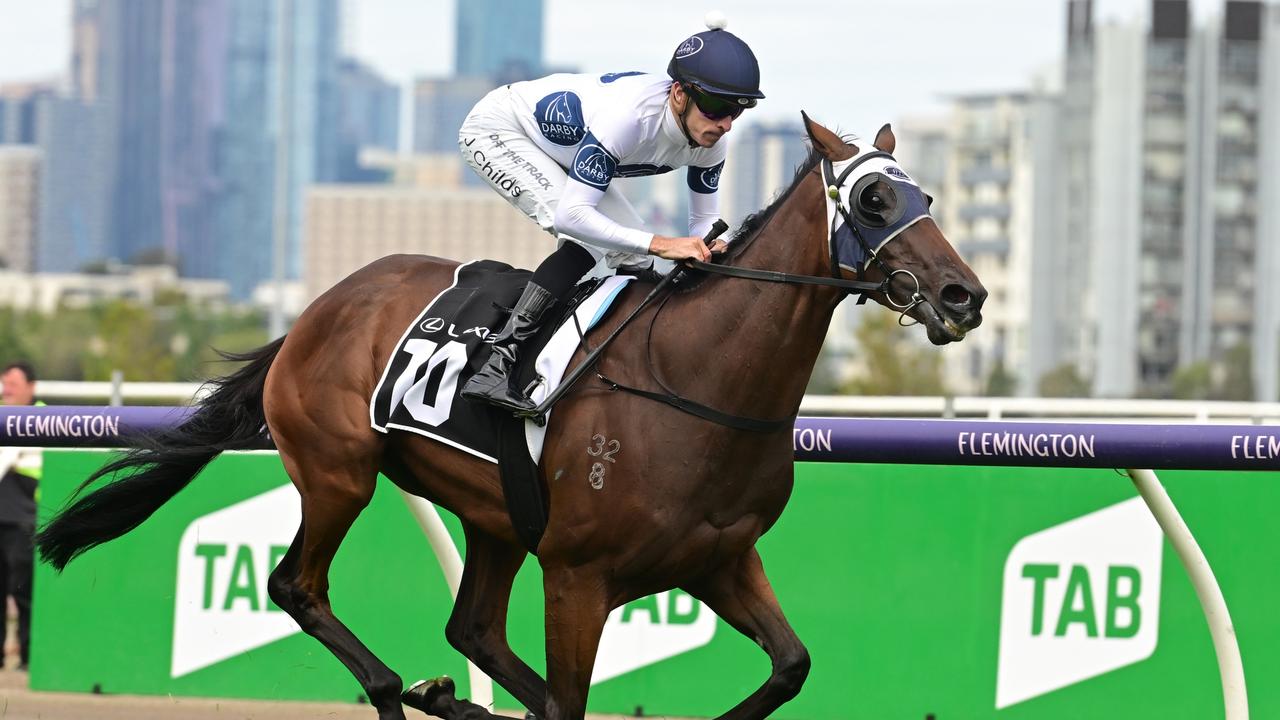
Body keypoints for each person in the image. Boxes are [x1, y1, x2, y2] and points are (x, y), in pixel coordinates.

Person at [458, 15, 764, 414]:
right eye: (716, 107)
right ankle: (497, 363)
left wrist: (711, 245)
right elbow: (572, 217)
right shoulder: (631, 119)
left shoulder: (711, 142)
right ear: (678, 93)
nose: (724, 124)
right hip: (500, 129)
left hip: (565, 151)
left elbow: (702, 222)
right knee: (592, 237)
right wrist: (663, 243)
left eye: (737, 112)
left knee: (632, 255)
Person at [0, 361, 41, 671]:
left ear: (31, 387)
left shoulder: (48, 419)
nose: (7, 389)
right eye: (4, 383)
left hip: (26, 519)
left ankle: (30, 656)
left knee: (25, 590)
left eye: (13, 383)